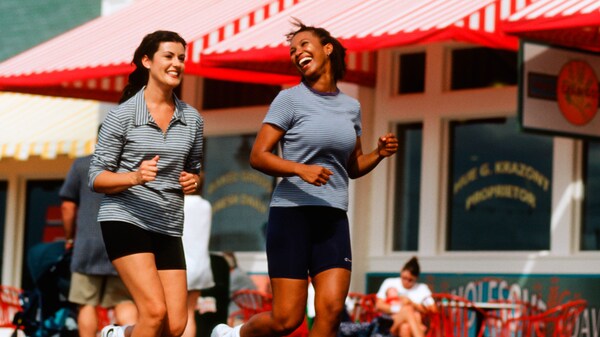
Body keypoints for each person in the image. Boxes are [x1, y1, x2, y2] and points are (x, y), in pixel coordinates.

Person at [212, 19, 398, 337]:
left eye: (304, 45)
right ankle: (234, 334)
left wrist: (378, 154)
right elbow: (258, 155)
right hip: (292, 216)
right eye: (292, 50)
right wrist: (300, 168)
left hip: (333, 219)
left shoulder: (351, 107)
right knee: (287, 320)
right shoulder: (289, 100)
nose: (297, 53)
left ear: (328, 49)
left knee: (330, 313)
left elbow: (352, 167)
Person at [88, 30, 204, 337]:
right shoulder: (122, 116)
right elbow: (96, 178)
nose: (176, 63)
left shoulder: (192, 119)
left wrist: (194, 180)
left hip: (167, 223)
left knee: (175, 326)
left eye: (181, 57)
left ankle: (117, 335)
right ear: (146, 61)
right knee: (154, 312)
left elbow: (195, 171)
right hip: (126, 218)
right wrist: (134, 177)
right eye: (168, 56)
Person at [59, 129, 137, 337]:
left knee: (85, 304)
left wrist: (69, 237)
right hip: (122, 245)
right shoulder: (130, 169)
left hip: (87, 245)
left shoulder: (82, 165)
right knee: (123, 301)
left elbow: (68, 207)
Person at [182, 172, 215, 337]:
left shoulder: (179, 204)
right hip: (201, 266)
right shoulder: (206, 205)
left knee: (173, 313)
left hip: (181, 265)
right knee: (189, 313)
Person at [375, 257, 434, 337]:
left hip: (410, 326)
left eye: (410, 280)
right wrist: (400, 309)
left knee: (405, 327)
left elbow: (433, 309)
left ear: (416, 278)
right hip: (389, 324)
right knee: (408, 310)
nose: (406, 282)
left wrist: (412, 303)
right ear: (401, 272)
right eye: (404, 278)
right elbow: (378, 305)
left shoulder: (422, 288)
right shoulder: (389, 283)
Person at [222, 252, 257, 317]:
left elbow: (223, 294)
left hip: (244, 310)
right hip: (248, 308)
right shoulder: (238, 272)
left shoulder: (235, 275)